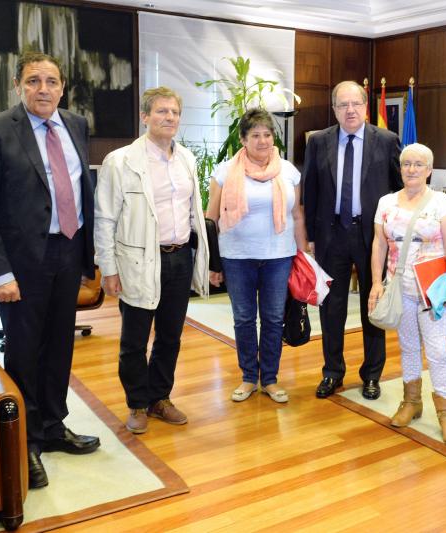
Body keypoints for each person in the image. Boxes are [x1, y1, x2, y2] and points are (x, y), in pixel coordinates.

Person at [0, 51, 99, 489]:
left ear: (63, 87)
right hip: (21, 264)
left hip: (68, 253)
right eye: (33, 81)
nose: (44, 89)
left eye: (52, 81)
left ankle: (54, 425)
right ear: (19, 86)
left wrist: (87, 256)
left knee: (60, 346)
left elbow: (81, 190)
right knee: (24, 350)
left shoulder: (75, 124)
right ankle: (24, 441)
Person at [95, 86, 211, 434]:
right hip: (139, 261)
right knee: (134, 340)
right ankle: (137, 404)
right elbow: (104, 218)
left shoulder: (187, 159)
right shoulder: (121, 161)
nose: (169, 118)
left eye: (174, 112)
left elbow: (193, 212)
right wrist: (109, 268)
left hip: (178, 259)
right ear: (145, 117)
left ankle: (161, 398)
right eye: (161, 112)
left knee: (170, 336)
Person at [302, 80, 402, 400]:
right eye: (343, 105)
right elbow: (311, 192)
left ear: (365, 107)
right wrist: (312, 239)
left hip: (373, 237)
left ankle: (372, 374)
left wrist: (394, 237)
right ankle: (333, 372)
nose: (350, 110)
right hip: (331, 236)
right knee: (332, 309)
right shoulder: (318, 142)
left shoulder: (386, 141)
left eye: (355, 104)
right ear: (334, 109)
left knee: (373, 306)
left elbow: (400, 192)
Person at [207, 108, 308, 404]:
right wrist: (212, 264)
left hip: (279, 255)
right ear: (242, 139)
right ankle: (249, 377)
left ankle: (271, 379)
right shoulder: (225, 172)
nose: (263, 141)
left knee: (274, 318)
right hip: (236, 256)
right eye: (255, 135)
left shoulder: (289, 171)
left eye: (267, 134)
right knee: (244, 318)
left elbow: (297, 215)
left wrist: (303, 255)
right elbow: (211, 218)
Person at [369, 143, 446, 445]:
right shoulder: (385, 202)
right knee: (408, 347)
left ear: (429, 169)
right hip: (399, 286)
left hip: (432, 288)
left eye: (419, 164)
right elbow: (378, 244)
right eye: (406, 164)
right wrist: (376, 282)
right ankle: (411, 402)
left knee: (437, 351)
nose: (411, 169)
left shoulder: (442, 203)